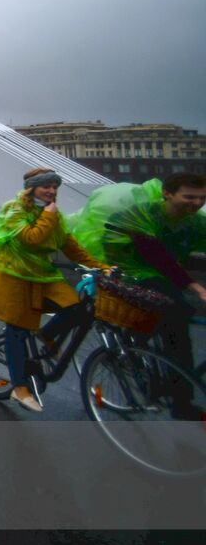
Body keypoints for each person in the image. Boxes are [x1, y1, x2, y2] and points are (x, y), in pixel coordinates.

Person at [72, 172, 206, 418]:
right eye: (189, 197)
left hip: (162, 275)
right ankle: (137, 350)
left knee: (176, 330)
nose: (196, 203)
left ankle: (176, 392)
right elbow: (157, 257)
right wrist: (195, 287)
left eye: (202, 198)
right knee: (177, 313)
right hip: (130, 271)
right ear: (167, 194)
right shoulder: (142, 215)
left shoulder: (195, 222)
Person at [0, 168, 107, 412]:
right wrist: (48, 216)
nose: (52, 191)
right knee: (17, 329)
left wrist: (101, 267)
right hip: (14, 276)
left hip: (42, 275)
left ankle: (46, 335)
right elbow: (31, 239)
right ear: (32, 188)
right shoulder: (14, 209)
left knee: (77, 308)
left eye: (55, 187)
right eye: (46, 186)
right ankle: (19, 388)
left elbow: (69, 244)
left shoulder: (51, 213)